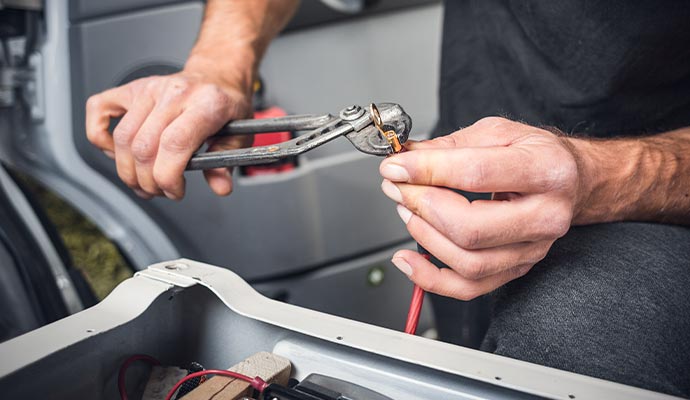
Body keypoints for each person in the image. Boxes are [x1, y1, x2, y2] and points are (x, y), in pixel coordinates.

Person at [85, 0, 690, 396]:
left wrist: (606, 176)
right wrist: (221, 62)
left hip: (664, 208)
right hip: (481, 137)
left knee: (573, 336)